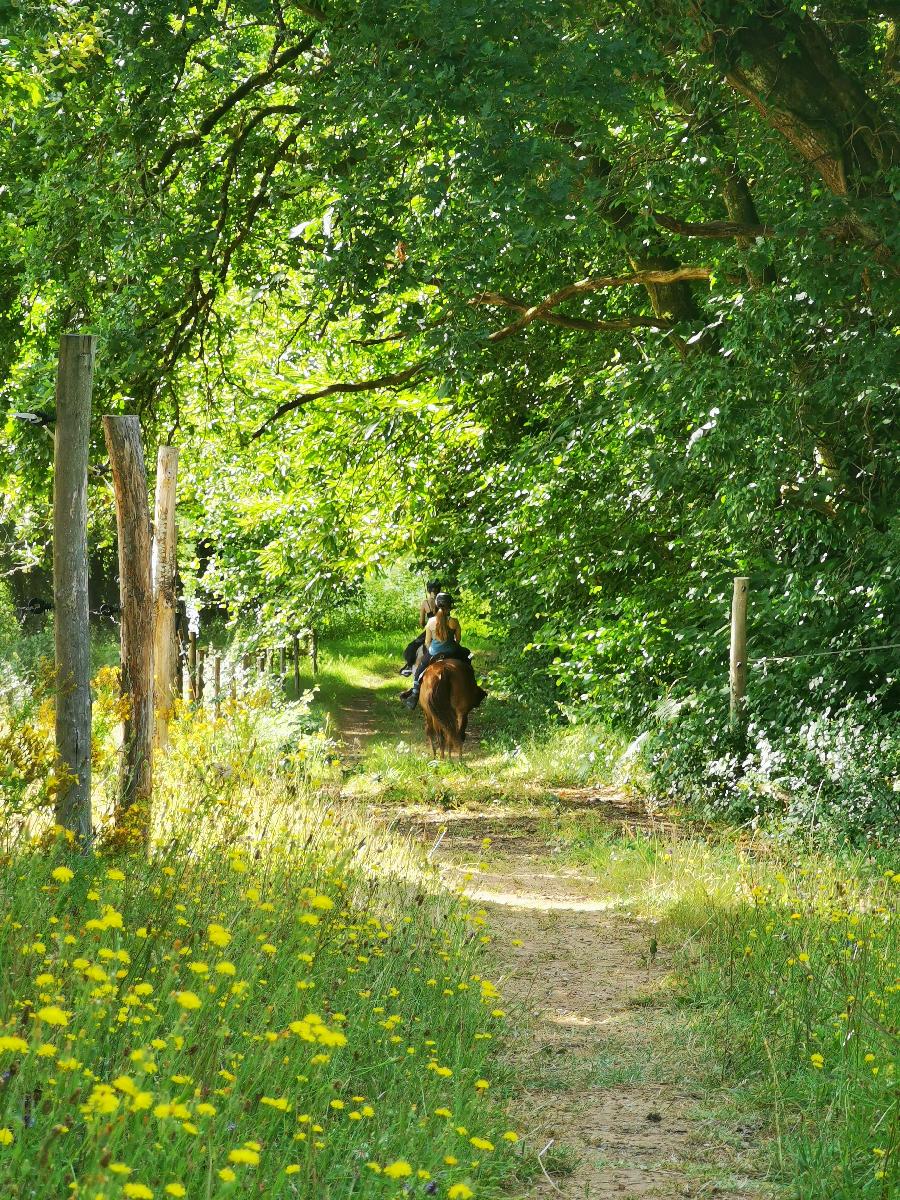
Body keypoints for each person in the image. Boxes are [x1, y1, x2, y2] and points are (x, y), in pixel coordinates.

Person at [402, 592, 483, 710]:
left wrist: (433, 648)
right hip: (453, 651)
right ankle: (473, 688)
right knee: (468, 657)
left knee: (420, 668)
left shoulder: (431, 622)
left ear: (437, 605)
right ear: (450, 606)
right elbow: (458, 640)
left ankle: (415, 694)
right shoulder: (454, 621)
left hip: (434, 652)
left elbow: (427, 642)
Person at [400, 579, 442, 675]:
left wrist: (424, 625)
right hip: (444, 629)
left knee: (412, 647)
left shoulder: (425, 603)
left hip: (430, 630)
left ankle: (409, 666)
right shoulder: (443, 601)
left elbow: (422, 622)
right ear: (439, 589)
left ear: (428, 589)